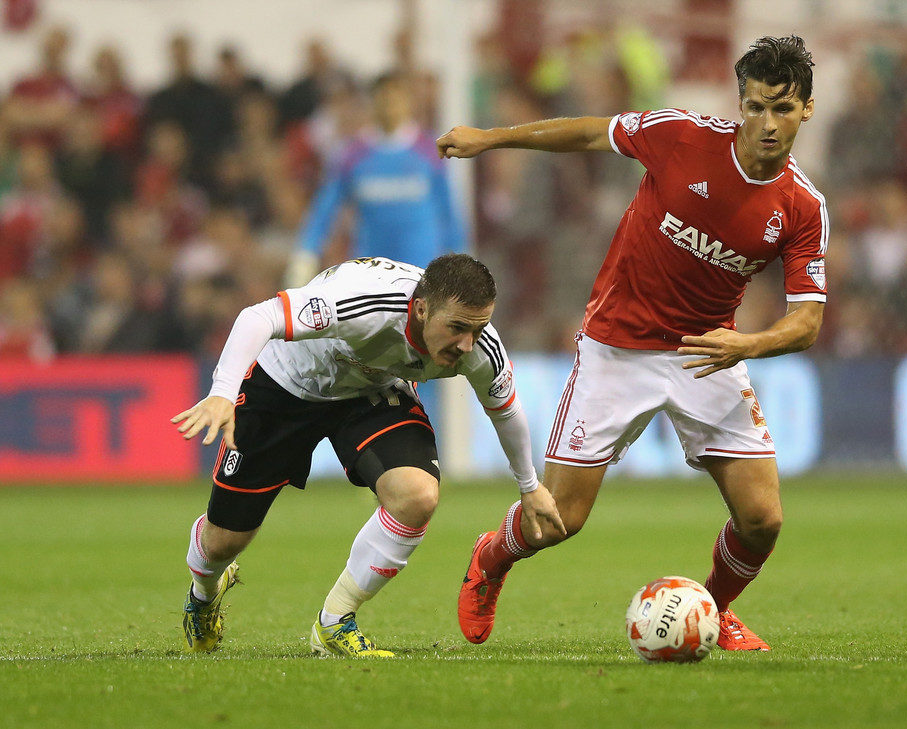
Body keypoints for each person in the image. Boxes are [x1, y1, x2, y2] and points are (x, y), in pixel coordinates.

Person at [436, 35, 828, 651]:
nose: (767, 123)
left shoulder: (803, 206)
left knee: (762, 520)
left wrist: (744, 346)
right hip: (618, 346)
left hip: (708, 354)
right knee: (559, 519)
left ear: (806, 109)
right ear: (740, 104)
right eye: (755, 106)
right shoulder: (682, 137)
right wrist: (491, 138)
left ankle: (712, 610)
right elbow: (591, 133)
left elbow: (807, 321)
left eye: (782, 108)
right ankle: (491, 558)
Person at [171, 254, 563, 656]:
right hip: (285, 383)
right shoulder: (368, 305)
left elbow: (506, 410)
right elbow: (259, 317)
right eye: (458, 328)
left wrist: (529, 486)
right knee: (223, 542)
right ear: (422, 309)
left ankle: (335, 622)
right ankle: (203, 594)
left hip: (368, 394)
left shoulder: (481, 348)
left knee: (417, 495)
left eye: (477, 330)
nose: (466, 344)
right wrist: (221, 392)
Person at [284, 72, 466, 287]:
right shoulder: (353, 154)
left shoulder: (429, 151)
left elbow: (448, 211)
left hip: (422, 272)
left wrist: (460, 259)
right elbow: (326, 206)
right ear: (373, 102)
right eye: (384, 98)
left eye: (395, 98)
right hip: (371, 273)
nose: (390, 105)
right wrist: (307, 251)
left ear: (407, 101)